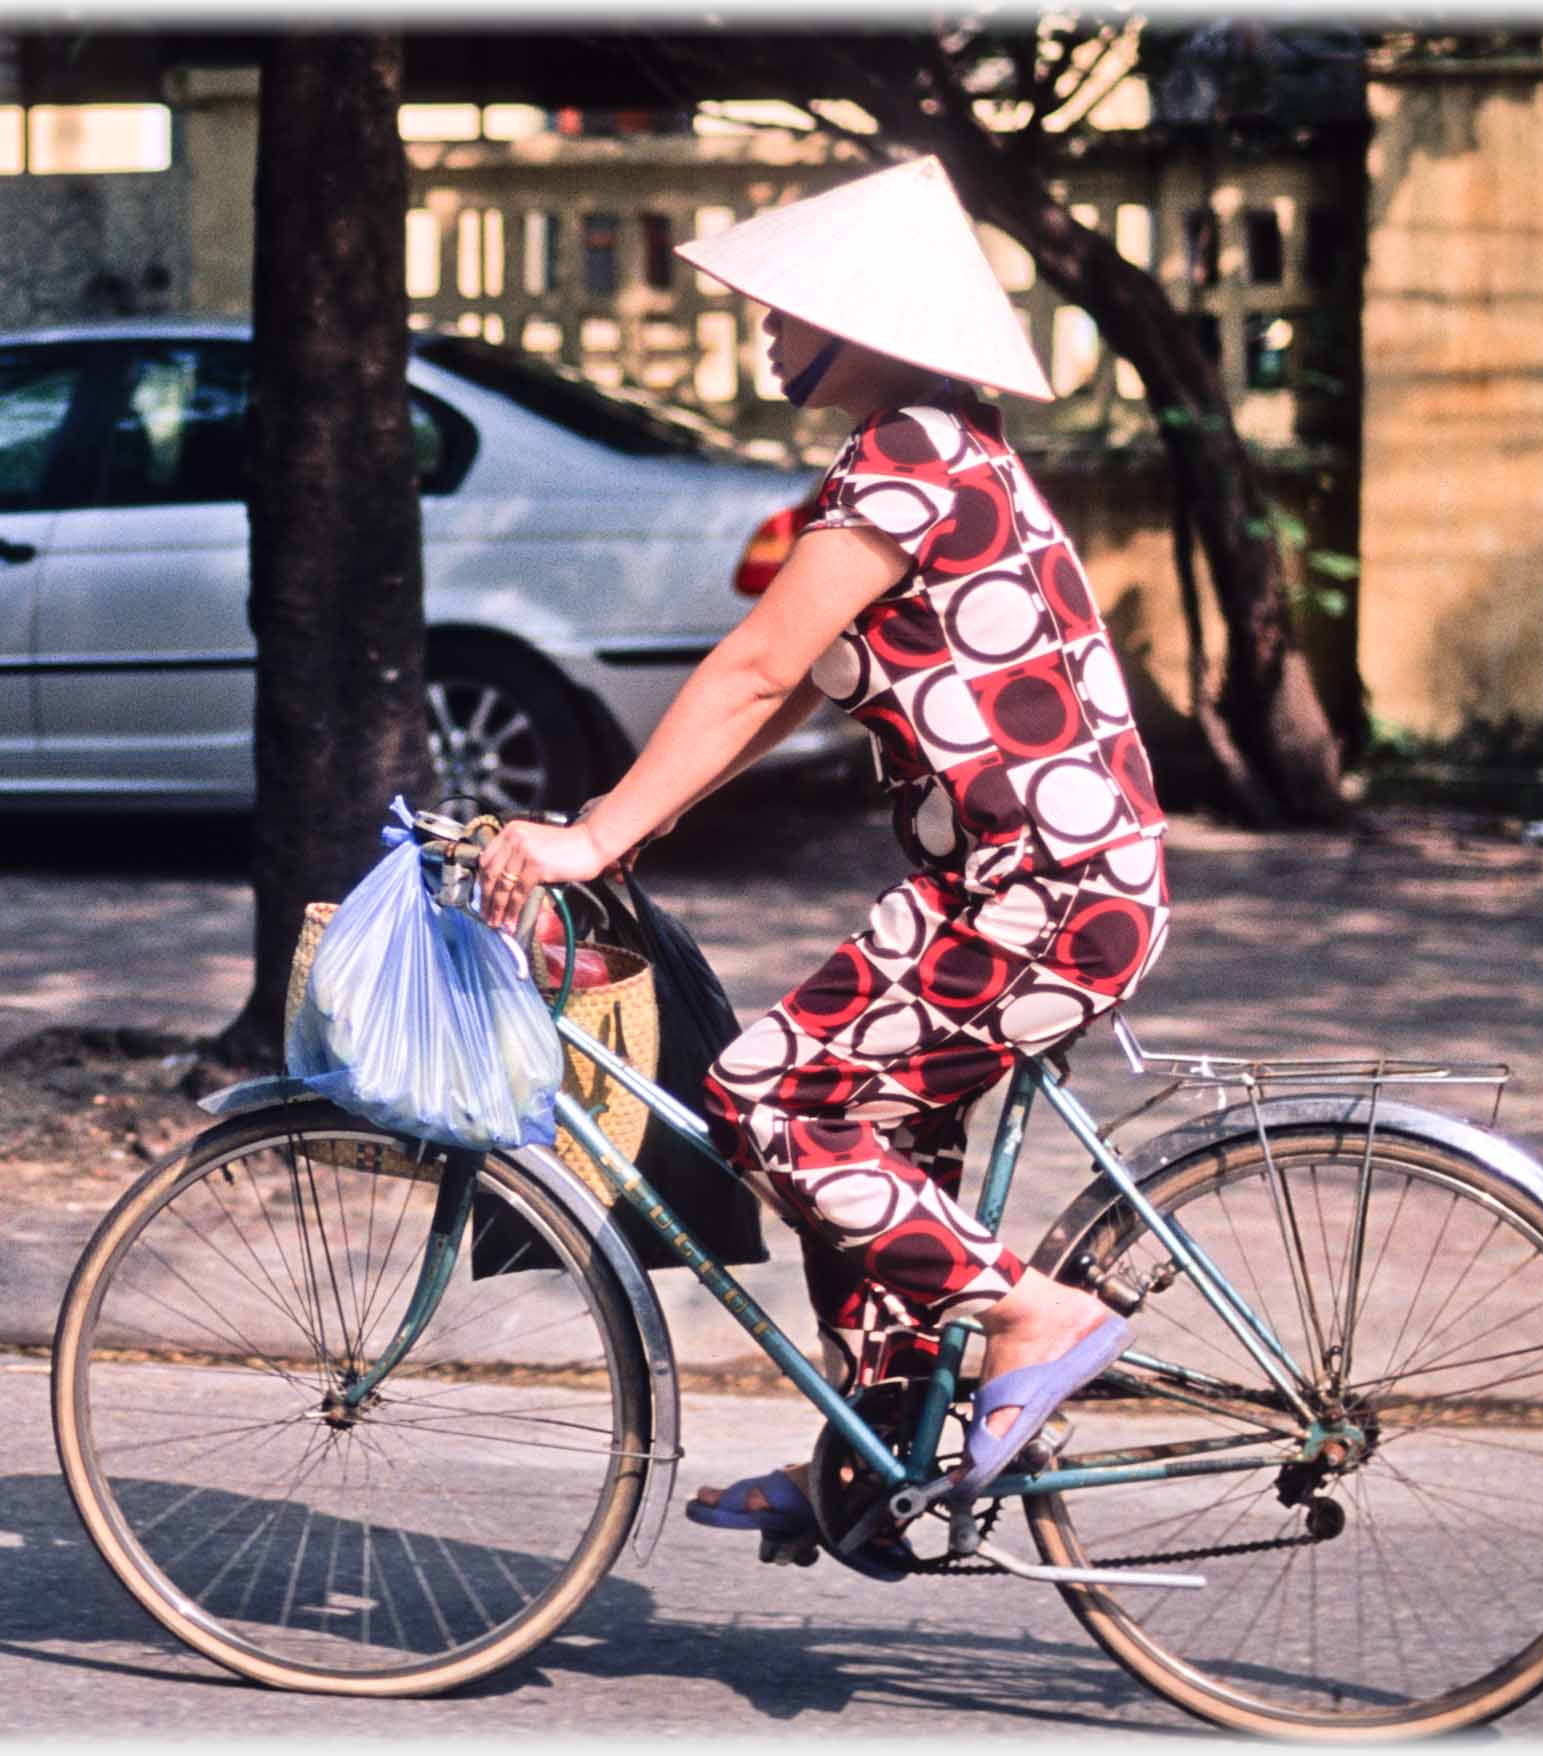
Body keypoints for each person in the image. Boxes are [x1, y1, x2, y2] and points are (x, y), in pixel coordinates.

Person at [476, 156, 1170, 1564]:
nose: (765, 329)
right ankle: (873, 1466)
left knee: (767, 1097)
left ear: (868, 320)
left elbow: (755, 663)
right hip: (1018, 887)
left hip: (1041, 897)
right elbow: (786, 689)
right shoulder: (938, 454)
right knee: (868, 1140)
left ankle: (1034, 1314)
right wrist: (637, 821)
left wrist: (593, 833)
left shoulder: (907, 460)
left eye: (789, 307)